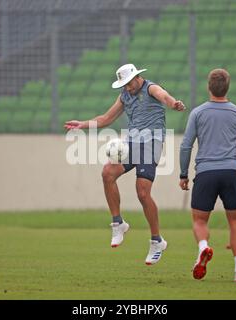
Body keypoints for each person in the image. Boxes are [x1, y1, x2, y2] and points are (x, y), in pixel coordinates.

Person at [65, 63, 185, 265]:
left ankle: (157, 241)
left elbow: (164, 96)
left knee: (143, 193)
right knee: (107, 174)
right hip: (131, 143)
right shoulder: (124, 96)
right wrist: (82, 124)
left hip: (151, 143)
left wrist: (173, 104)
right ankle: (118, 223)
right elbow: (105, 119)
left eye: (129, 83)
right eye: (124, 84)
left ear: (137, 77)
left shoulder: (150, 88)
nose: (127, 88)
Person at [179, 68, 236, 282]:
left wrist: (183, 174)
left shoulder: (197, 113)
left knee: (199, 220)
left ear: (209, 87)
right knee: (235, 221)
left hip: (206, 172)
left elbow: (186, 146)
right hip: (231, 171)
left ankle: (204, 247)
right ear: (228, 87)